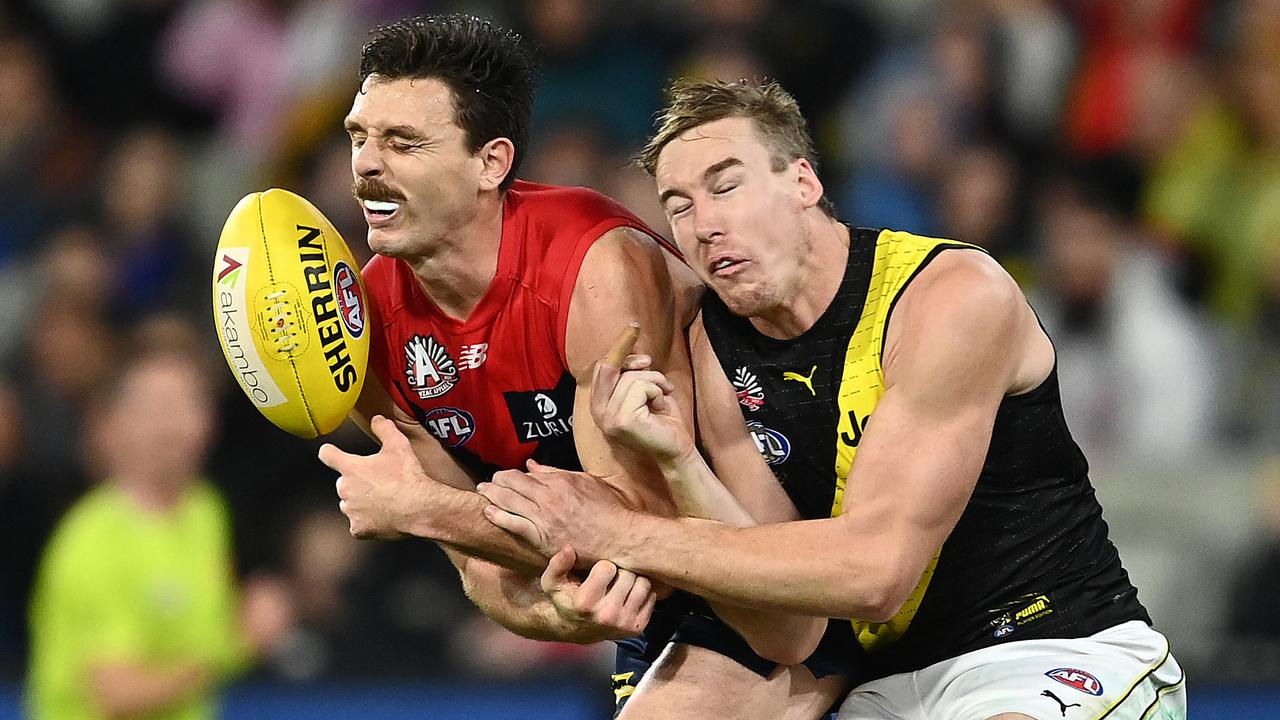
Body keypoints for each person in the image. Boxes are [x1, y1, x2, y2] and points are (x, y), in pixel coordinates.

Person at [477, 78, 1188, 720]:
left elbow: (876, 573)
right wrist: (679, 463)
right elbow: (783, 628)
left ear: (804, 183)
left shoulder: (949, 296)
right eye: (679, 207)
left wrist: (618, 532)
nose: (704, 223)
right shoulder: (713, 347)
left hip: (1051, 649)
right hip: (883, 683)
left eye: (726, 186)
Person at [314, 15, 847, 718]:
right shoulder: (362, 332)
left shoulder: (591, 270)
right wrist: (553, 617)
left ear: (491, 163)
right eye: (359, 137)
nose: (366, 165)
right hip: (660, 599)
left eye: (403, 142)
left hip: (771, 550)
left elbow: (636, 528)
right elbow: (482, 569)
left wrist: (422, 509)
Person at [25, 328, 293, 720]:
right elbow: (117, 694)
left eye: (187, 405)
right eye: (156, 407)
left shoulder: (207, 511)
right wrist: (240, 642)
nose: (173, 426)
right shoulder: (90, 542)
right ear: (114, 425)